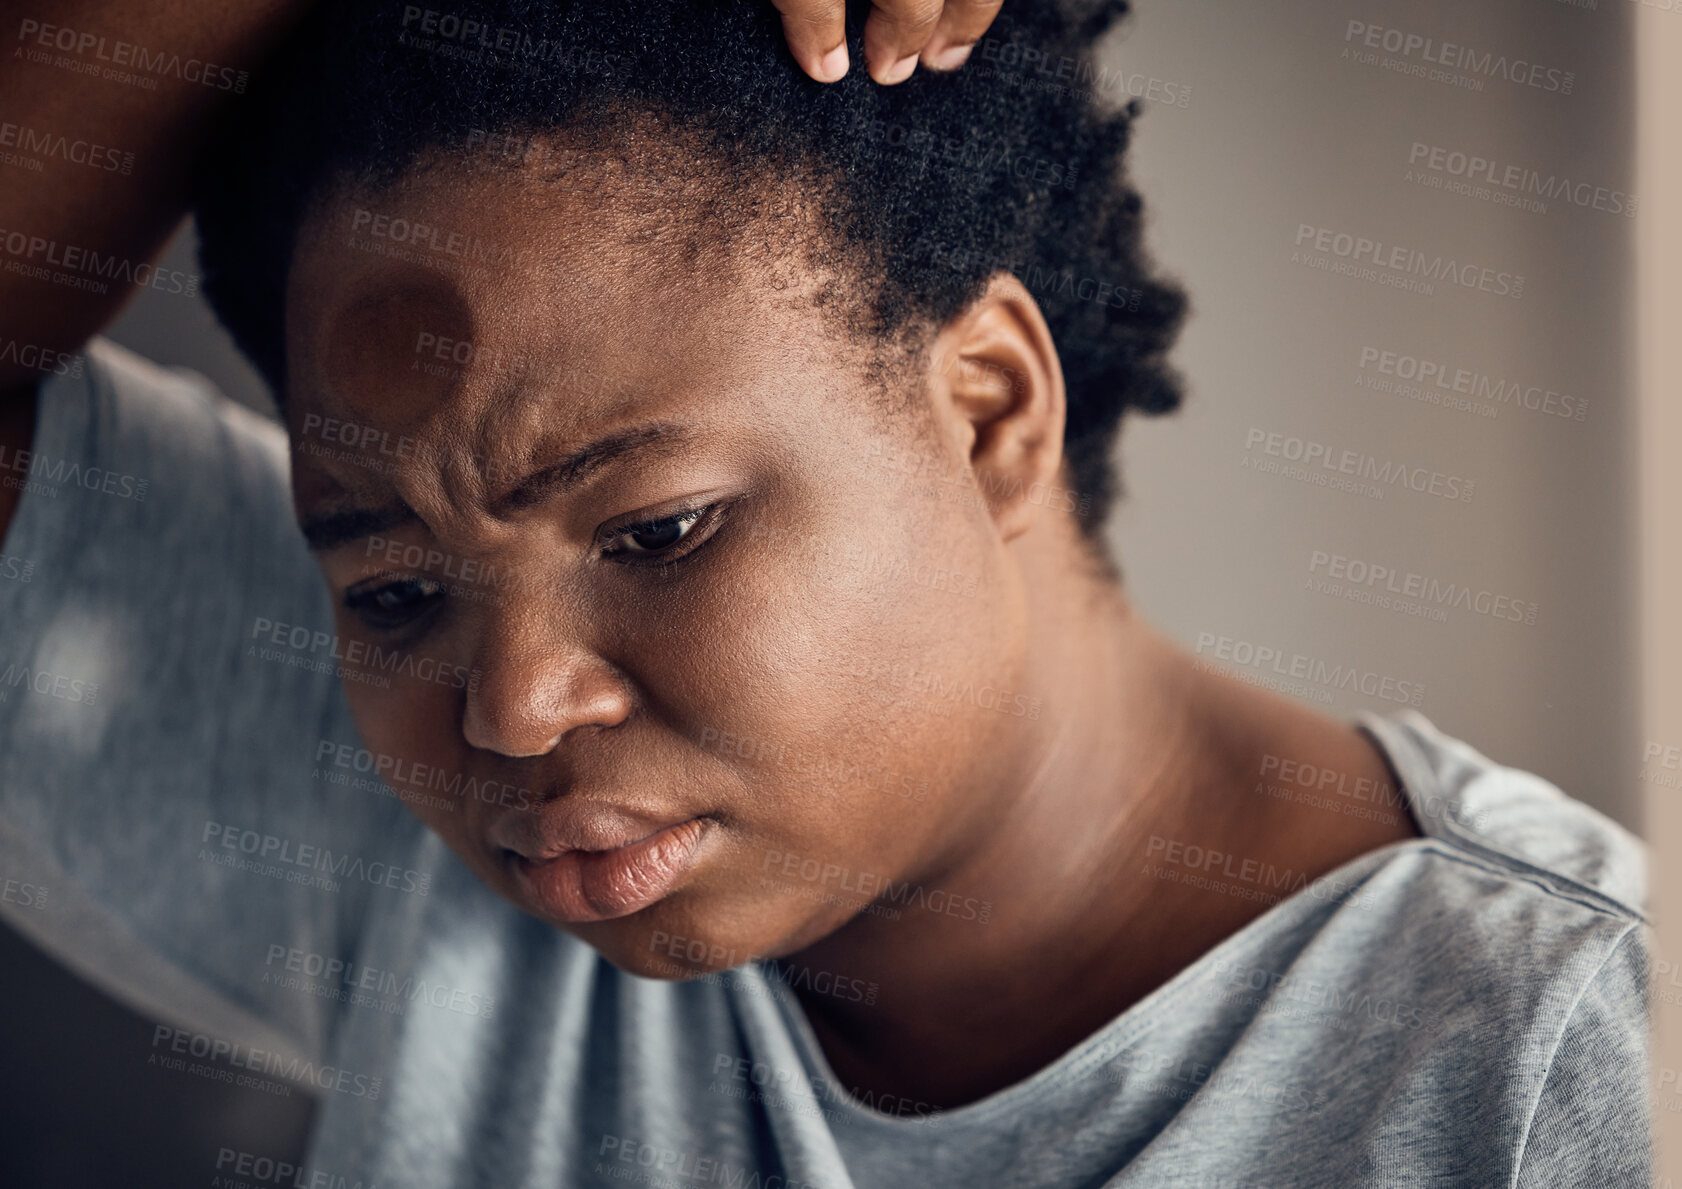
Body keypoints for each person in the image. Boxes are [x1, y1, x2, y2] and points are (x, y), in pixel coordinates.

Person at [0, 2, 1649, 1186]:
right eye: (396, 593)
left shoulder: (1556, 1064)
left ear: (990, 405)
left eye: (655, 531)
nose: (510, 708)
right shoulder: (422, 847)